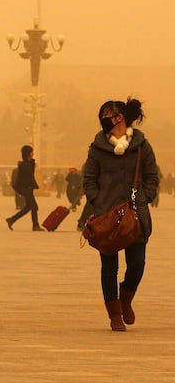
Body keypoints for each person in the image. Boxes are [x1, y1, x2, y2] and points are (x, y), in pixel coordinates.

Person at [82, 98, 158, 331]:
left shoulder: (141, 146)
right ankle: (114, 313)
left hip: (135, 214)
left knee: (137, 264)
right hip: (107, 215)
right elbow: (89, 179)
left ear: (120, 117)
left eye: (109, 114)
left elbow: (152, 177)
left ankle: (126, 297)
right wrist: (98, 201)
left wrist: (144, 198)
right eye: (103, 114)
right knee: (109, 267)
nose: (106, 118)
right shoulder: (97, 148)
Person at [6, 145, 44, 231]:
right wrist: (27, 186)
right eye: (31, 152)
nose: (33, 153)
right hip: (26, 188)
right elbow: (24, 177)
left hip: (28, 188)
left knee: (28, 207)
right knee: (34, 207)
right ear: (28, 153)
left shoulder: (29, 163)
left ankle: (11, 220)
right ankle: (35, 225)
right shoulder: (24, 165)